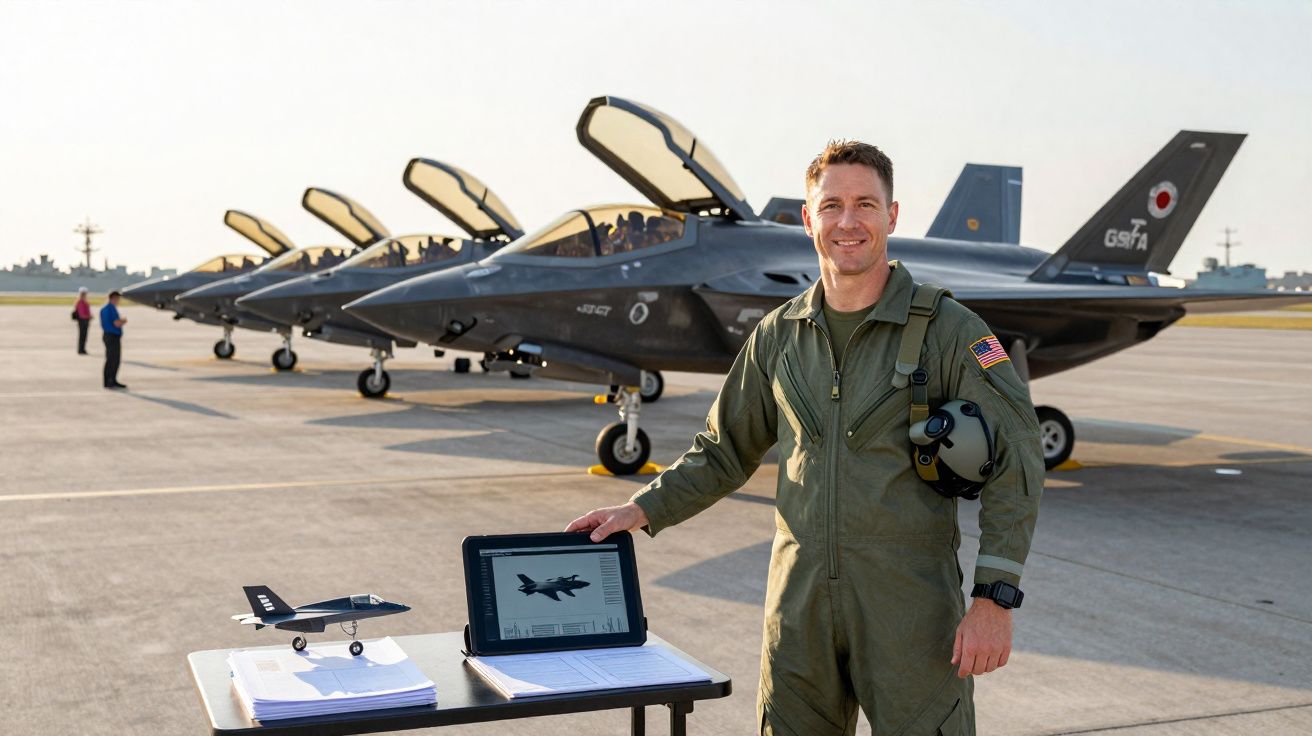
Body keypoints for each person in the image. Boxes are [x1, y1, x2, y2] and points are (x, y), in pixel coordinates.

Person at [567, 140, 1043, 735]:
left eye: (866, 204)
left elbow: (1018, 456)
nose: (848, 222)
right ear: (808, 218)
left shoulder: (950, 330)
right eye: (832, 205)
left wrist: (994, 600)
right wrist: (641, 508)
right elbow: (723, 450)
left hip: (910, 609)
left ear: (891, 217)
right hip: (797, 610)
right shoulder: (778, 335)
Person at [100, 290, 127, 389]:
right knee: (112, 360)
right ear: (113, 298)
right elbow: (116, 323)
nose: (118, 300)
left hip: (109, 335)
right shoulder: (111, 309)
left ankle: (112, 380)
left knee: (113, 359)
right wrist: (123, 321)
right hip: (112, 336)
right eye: (118, 298)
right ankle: (109, 381)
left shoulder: (106, 308)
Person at [72, 287, 92, 354]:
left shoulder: (84, 301)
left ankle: (83, 349)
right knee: (82, 336)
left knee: (84, 336)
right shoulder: (80, 302)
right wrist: (89, 316)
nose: (85, 295)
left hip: (85, 321)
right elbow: (81, 314)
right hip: (82, 321)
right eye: (84, 293)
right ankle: (81, 350)